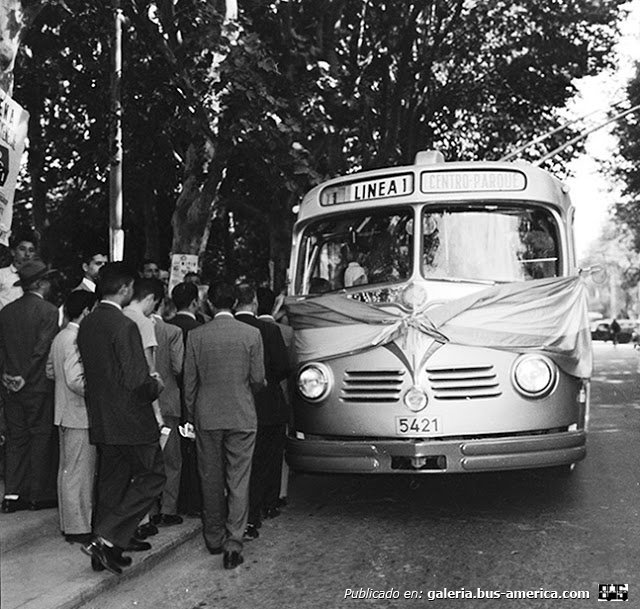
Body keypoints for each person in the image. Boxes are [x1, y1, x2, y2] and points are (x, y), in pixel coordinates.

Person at [77, 262, 165, 575]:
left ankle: (104, 550)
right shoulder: (124, 325)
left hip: (102, 418)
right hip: (131, 419)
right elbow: (137, 380)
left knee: (111, 483)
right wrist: (156, 383)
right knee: (153, 477)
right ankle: (106, 537)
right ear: (126, 287)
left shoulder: (88, 323)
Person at [183, 282, 265, 569]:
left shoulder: (196, 336)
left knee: (210, 477)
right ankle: (234, 542)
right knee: (239, 479)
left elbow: (189, 384)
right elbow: (257, 379)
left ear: (209, 304)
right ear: (235, 303)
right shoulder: (252, 334)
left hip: (207, 415)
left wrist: (191, 415)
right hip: (242, 414)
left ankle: (214, 537)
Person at [0, 259, 59, 513]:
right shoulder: (49, 311)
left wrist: (7, 374)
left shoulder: (6, 312)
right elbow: (41, 349)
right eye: (46, 280)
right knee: (40, 437)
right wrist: (24, 375)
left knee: (16, 439)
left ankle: (11, 494)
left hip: (10, 384)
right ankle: (36, 494)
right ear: (39, 284)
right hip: (36, 385)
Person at [235, 284, 290, 538]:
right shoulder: (269, 329)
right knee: (267, 459)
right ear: (255, 302)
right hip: (268, 403)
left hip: (237, 404)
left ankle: (245, 513)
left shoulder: (229, 329)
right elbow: (282, 367)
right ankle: (267, 504)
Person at [46, 290, 97, 543]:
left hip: (63, 412)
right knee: (79, 473)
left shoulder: (60, 337)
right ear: (86, 311)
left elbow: (50, 371)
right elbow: (76, 380)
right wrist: (97, 389)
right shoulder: (76, 339)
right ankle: (78, 527)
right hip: (78, 413)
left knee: (67, 470)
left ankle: (70, 524)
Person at [256, 286, 294, 509]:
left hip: (252, 399)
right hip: (278, 397)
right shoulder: (285, 332)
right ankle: (278, 494)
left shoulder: (246, 327)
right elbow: (290, 367)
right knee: (275, 454)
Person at [170, 282, 203, 517]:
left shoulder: (164, 327)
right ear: (195, 302)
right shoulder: (201, 329)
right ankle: (192, 500)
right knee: (193, 452)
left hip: (170, 396)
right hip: (194, 396)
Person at [150, 299, 184, 527]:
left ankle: (149, 511)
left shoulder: (132, 326)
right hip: (169, 400)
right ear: (162, 304)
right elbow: (178, 367)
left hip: (144, 403)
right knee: (171, 460)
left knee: (148, 460)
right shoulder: (172, 331)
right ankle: (168, 509)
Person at [0, 234, 37, 310]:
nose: (27, 254)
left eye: (31, 250)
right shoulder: (2, 274)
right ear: (13, 252)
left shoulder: (37, 279)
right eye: (22, 249)